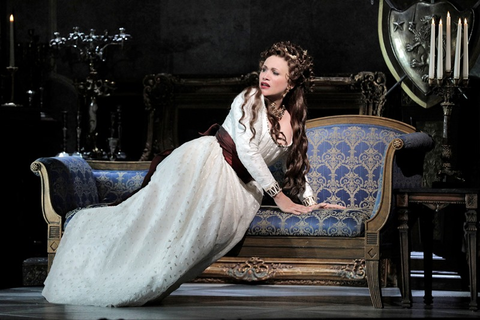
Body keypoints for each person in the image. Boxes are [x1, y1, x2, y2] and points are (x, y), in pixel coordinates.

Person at [42, 41, 343, 307]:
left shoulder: (293, 118)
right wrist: (280, 198)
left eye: (275, 72)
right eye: (264, 68)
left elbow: (298, 167)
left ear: (291, 82)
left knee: (197, 235)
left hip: (241, 188)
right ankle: (111, 268)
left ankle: (150, 280)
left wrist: (310, 203)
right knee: (152, 223)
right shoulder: (249, 98)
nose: (265, 75)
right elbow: (248, 151)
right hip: (205, 165)